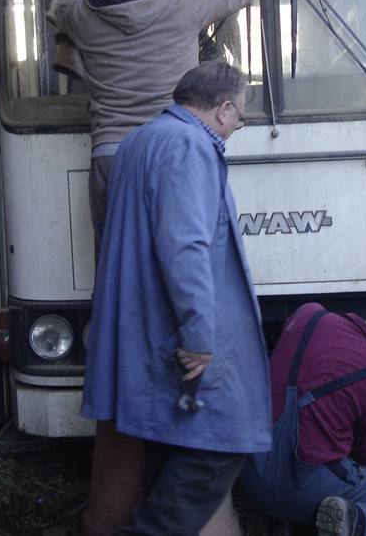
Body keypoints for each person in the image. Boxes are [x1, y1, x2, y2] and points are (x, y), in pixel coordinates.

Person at [81, 61, 271, 535]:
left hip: (141, 323)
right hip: (176, 328)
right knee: (221, 444)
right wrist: (199, 335)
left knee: (172, 440)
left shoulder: (140, 139)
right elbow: (185, 247)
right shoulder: (190, 146)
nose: (236, 129)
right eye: (241, 118)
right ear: (224, 109)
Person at [47, 0, 281, 252]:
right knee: (179, 264)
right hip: (172, 153)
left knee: (119, 273)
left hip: (112, 158)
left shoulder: (81, 13)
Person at [239, 300, 366, 536]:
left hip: (248, 468)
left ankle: (291, 522)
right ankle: (351, 519)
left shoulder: (308, 315)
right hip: (302, 484)